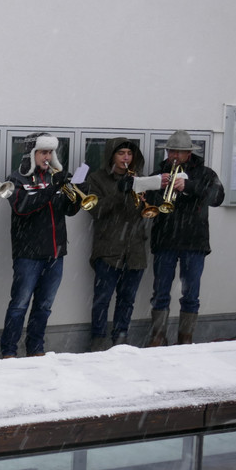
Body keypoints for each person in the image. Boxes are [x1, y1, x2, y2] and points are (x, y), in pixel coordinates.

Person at [0, 132, 81, 358]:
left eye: (50, 152)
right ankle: (9, 350)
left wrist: (78, 194)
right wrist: (51, 188)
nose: (47, 157)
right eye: (43, 152)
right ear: (32, 153)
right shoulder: (17, 179)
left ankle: (36, 348)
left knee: (44, 306)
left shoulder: (54, 179)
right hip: (28, 254)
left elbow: (69, 210)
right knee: (19, 305)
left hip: (55, 253)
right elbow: (23, 207)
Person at [145, 130, 224, 346]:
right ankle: (158, 337)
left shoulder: (205, 173)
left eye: (179, 152)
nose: (174, 156)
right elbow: (148, 203)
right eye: (171, 151)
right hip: (165, 241)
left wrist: (188, 186)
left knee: (190, 295)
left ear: (189, 153)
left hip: (194, 242)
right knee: (160, 293)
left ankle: (185, 338)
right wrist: (154, 188)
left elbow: (218, 197)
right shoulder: (159, 173)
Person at [84, 138, 162, 351]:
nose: (126, 158)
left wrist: (150, 192)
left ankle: (121, 340)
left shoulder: (139, 178)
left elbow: (148, 210)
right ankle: (98, 343)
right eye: (121, 153)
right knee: (102, 300)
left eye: (129, 153)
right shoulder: (97, 178)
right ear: (112, 156)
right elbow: (96, 210)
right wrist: (120, 192)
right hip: (108, 250)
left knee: (127, 300)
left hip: (135, 250)